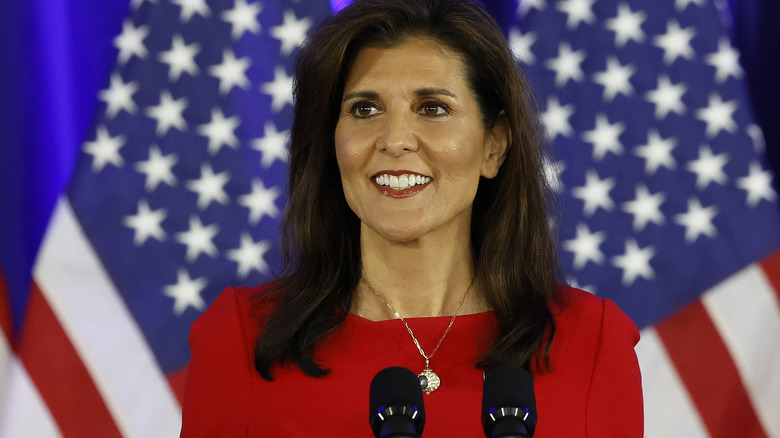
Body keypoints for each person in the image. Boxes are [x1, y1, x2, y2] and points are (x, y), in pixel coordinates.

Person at [180, 0, 643, 436]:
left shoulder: (591, 342)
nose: (395, 139)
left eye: (433, 109)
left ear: (494, 145)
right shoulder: (242, 340)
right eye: (365, 109)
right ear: (331, 142)